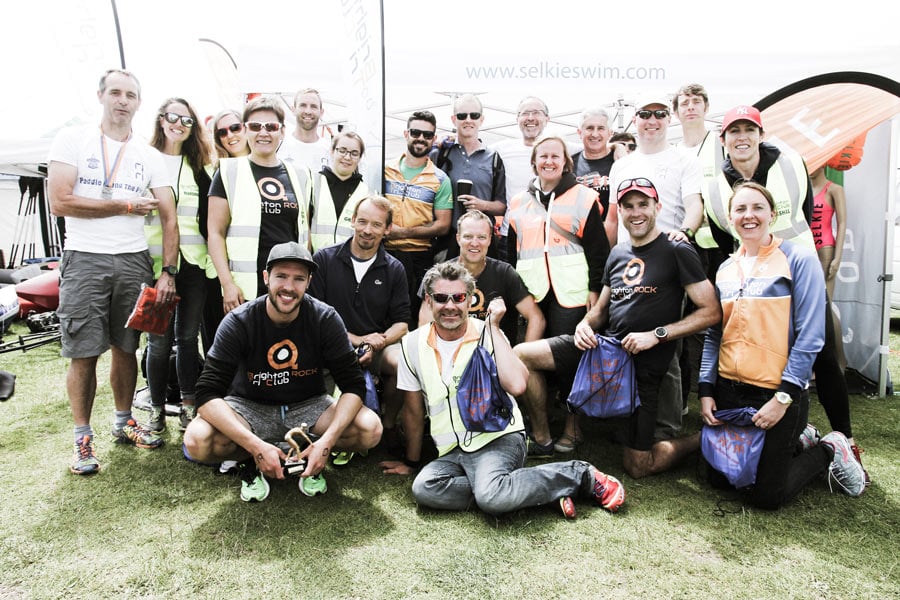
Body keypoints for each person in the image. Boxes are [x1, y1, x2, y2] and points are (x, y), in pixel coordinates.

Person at [380, 261, 625, 519]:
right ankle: (529, 492)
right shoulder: (411, 344)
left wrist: (494, 328)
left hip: (498, 439)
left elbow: (518, 385)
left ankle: (581, 475)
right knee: (424, 487)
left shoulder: (488, 332)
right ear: (429, 301)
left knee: (490, 498)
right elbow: (413, 410)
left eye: (459, 297)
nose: (450, 306)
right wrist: (412, 462)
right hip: (453, 449)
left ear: (470, 300)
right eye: (441, 298)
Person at [705, 105, 868, 485]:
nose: (741, 138)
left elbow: (804, 212)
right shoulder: (717, 183)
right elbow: (722, 233)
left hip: (797, 269)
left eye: (749, 130)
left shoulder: (789, 162)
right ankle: (796, 429)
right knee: (761, 352)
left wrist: (796, 261)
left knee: (822, 353)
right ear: (724, 140)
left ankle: (844, 439)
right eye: (734, 132)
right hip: (757, 277)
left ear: (761, 134)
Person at [521, 178, 720, 478]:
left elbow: (711, 312)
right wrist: (584, 327)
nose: (635, 212)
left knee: (639, 467)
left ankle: (701, 440)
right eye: (628, 206)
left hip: (644, 367)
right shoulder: (618, 253)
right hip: (605, 351)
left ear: (658, 207)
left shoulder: (676, 249)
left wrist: (657, 335)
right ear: (621, 212)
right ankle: (542, 437)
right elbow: (600, 310)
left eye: (643, 204)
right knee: (522, 354)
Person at [47, 69, 178, 475]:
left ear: (139, 104)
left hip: (134, 258)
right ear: (101, 96)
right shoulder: (73, 139)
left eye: (131, 95)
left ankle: (124, 422)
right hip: (85, 257)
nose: (123, 101)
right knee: (83, 351)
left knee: (127, 347)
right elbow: (60, 201)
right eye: (116, 93)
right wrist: (123, 205)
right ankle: (82, 439)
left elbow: (169, 218)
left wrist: (167, 271)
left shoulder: (148, 155)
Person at [183, 242, 382, 502]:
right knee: (197, 440)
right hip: (248, 406)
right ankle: (249, 462)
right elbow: (206, 395)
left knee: (370, 429)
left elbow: (353, 385)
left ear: (309, 282)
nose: (289, 287)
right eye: (281, 276)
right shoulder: (239, 321)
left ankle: (308, 451)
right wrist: (254, 446)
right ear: (266, 278)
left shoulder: (325, 318)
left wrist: (327, 442)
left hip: (309, 405)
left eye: (299, 278)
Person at [608, 94, 705, 442]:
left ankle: (667, 424)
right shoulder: (621, 164)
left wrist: (686, 233)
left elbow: (696, 205)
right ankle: (629, 415)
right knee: (626, 340)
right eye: (645, 114)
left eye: (660, 113)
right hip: (625, 259)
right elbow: (611, 217)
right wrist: (609, 259)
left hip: (666, 259)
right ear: (634, 120)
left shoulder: (684, 158)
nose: (652, 119)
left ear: (670, 119)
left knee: (666, 343)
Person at [508, 135, 609, 456]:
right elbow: (511, 253)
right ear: (534, 162)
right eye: (543, 156)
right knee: (528, 360)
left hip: (574, 293)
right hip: (532, 294)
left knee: (570, 365)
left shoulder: (585, 197)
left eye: (555, 156)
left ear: (566, 162)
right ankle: (541, 433)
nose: (549, 161)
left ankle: (572, 428)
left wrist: (595, 288)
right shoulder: (518, 201)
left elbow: (598, 250)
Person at [308, 195, 409, 459]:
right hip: (328, 345)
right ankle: (326, 429)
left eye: (376, 224)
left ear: (387, 229)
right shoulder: (324, 259)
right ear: (352, 221)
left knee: (403, 363)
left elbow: (402, 323)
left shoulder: (395, 268)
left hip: (374, 349)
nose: (367, 229)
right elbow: (313, 316)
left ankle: (387, 428)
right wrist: (356, 340)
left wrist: (379, 342)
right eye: (362, 221)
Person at [144, 97, 216, 433]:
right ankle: (156, 408)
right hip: (156, 265)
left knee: (188, 339)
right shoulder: (144, 160)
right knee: (158, 341)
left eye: (187, 120)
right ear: (161, 120)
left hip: (195, 264)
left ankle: (188, 405)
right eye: (173, 117)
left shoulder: (200, 166)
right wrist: (163, 271)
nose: (179, 124)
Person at [207, 95, 313, 314]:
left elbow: (304, 230)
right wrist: (227, 284)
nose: (263, 133)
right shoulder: (228, 172)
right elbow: (215, 233)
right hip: (245, 287)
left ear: (282, 131)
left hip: (287, 286)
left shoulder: (301, 175)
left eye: (271, 127)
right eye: (255, 126)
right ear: (246, 130)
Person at [417, 210, 545, 346]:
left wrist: (520, 360)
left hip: (495, 357)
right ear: (458, 238)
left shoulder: (504, 273)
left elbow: (536, 318)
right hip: (450, 355)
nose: (475, 243)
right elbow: (425, 325)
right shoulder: (438, 274)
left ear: (490, 239)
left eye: (481, 237)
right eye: (468, 237)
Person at [383, 111, 453, 327]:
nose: (421, 138)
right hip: (383, 252)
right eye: (416, 132)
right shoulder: (385, 169)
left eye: (427, 134)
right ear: (406, 134)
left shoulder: (441, 179)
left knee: (410, 315)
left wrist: (404, 232)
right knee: (381, 311)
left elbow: (443, 225)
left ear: (433, 138)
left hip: (418, 258)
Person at [430, 94, 507, 260]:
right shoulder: (440, 153)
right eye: (462, 116)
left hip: (481, 241)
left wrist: (482, 205)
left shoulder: (493, 158)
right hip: (447, 240)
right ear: (453, 120)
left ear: (482, 120)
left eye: (474, 115)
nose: (468, 120)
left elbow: (501, 206)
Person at [201, 108, 250, 352]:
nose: (230, 135)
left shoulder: (270, 168)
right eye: (222, 132)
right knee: (221, 344)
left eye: (235, 127)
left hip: (256, 275)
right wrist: (226, 281)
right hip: (219, 273)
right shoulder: (213, 173)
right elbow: (212, 229)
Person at [494, 96, 551, 262]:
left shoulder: (560, 146)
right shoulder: (502, 148)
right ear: (517, 118)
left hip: (545, 237)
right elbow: (475, 147)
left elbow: (593, 148)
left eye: (536, 113)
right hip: (509, 235)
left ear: (547, 119)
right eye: (525, 113)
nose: (531, 118)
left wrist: (616, 146)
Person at [309, 131, 371, 252]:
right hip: (315, 260)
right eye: (342, 150)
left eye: (354, 153)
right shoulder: (313, 183)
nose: (347, 157)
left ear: (359, 158)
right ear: (332, 151)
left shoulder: (364, 191)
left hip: (348, 262)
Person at [809, 166, 847, 299]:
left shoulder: (834, 189)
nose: (811, 169)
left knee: (825, 303)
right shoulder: (803, 191)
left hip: (825, 249)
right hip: (806, 249)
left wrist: (837, 258)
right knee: (810, 303)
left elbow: (842, 223)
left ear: (823, 164)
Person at [571, 107, 615, 219]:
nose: (595, 134)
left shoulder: (620, 163)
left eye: (601, 128)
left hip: (613, 232)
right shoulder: (568, 164)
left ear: (610, 133)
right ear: (580, 133)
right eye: (589, 128)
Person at [278, 88, 332, 174]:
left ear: (321, 112)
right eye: (303, 105)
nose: (308, 111)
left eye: (313, 107)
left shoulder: (330, 150)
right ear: (293, 110)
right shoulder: (279, 146)